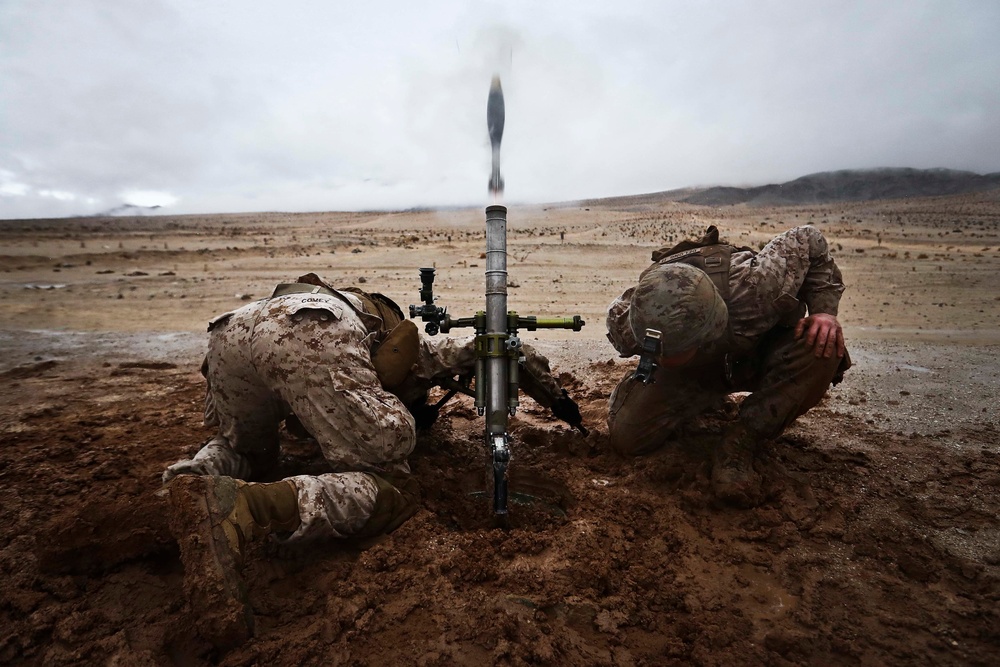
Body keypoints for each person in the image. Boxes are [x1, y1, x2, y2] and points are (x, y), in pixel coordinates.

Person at [163, 272, 583, 649]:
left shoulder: (335, 316)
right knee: (394, 477)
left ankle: (185, 484)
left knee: (244, 450)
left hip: (231, 329)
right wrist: (561, 403)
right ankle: (246, 508)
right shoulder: (410, 349)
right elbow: (510, 348)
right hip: (311, 331)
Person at [605, 225, 850, 508]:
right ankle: (694, 398)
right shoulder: (626, 323)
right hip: (691, 373)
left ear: (711, 328)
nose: (663, 356)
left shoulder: (757, 288)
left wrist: (823, 311)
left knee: (823, 346)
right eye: (657, 351)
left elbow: (809, 238)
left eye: (675, 349)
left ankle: (743, 439)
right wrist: (655, 371)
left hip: (754, 350)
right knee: (628, 439)